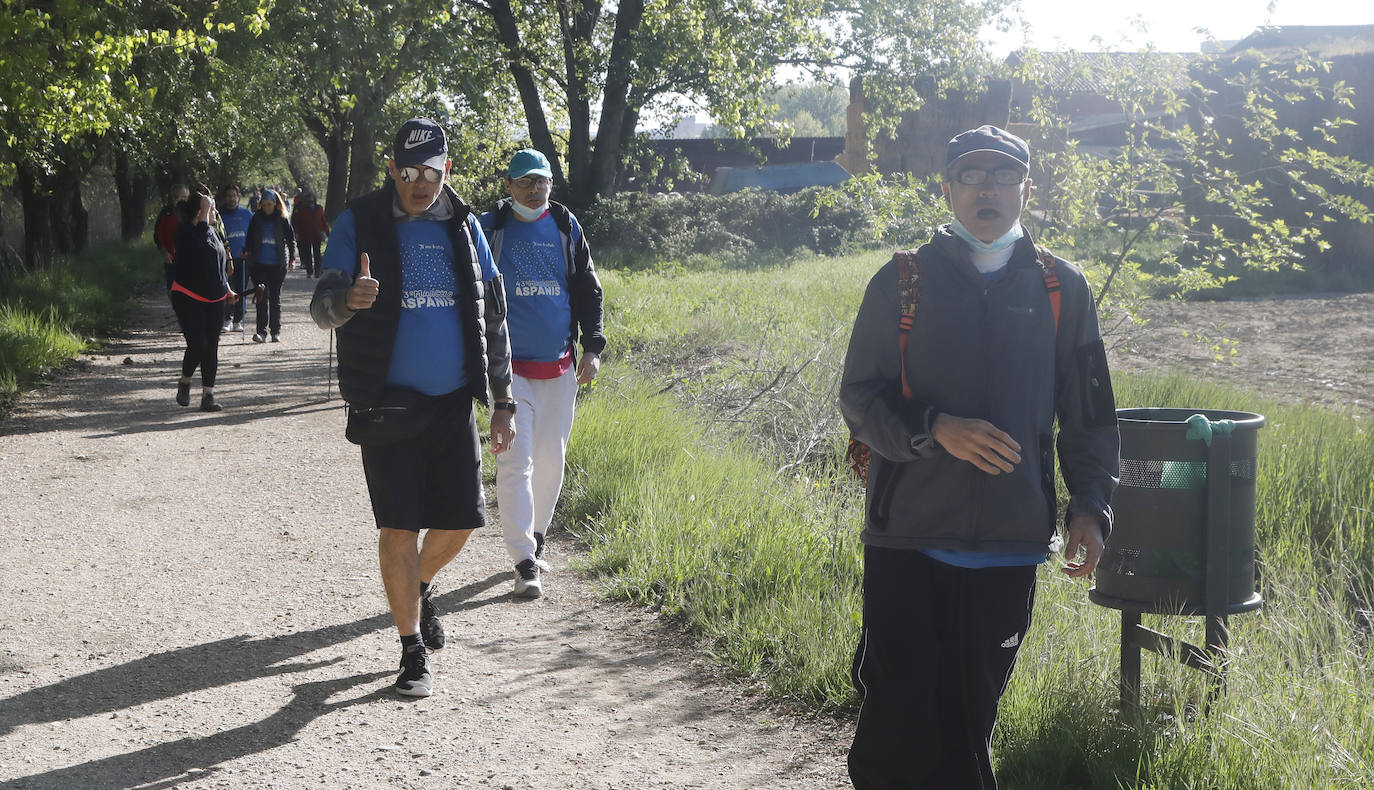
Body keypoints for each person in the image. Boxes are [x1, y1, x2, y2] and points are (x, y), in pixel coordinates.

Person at [838, 125, 1120, 789]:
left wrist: (1092, 504)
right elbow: (860, 398)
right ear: (947, 189)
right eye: (971, 174)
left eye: (1003, 174)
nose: (987, 187)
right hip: (907, 535)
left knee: (968, 723)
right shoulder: (902, 280)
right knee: (897, 720)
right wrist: (935, 429)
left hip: (1009, 542)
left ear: (1028, 187)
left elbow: (1088, 415)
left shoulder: (1061, 288)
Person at [310, 117, 515, 698]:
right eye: (408, 171)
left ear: (446, 169)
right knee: (398, 524)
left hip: (452, 403)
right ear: (392, 170)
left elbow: (493, 315)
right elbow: (321, 308)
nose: (419, 183)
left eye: (430, 171)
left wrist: (504, 399)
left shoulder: (465, 225)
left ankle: (419, 585)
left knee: (459, 522)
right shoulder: (362, 222)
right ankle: (410, 650)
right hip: (387, 405)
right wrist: (347, 300)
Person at [479, 149, 606, 598]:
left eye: (543, 182)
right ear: (509, 186)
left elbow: (589, 290)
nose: (535, 190)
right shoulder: (489, 229)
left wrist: (592, 347)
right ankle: (523, 560)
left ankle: (537, 536)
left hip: (559, 368)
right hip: (509, 373)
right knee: (517, 463)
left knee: (552, 461)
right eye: (526, 182)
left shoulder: (567, 227)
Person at [170, 187, 238, 412]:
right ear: (199, 212)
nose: (215, 212)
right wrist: (205, 214)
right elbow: (198, 250)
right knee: (198, 344)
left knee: (212, 346)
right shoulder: (185, 232)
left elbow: (216, 263)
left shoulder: (212, 231)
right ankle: (185, 381)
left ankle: (208, 395)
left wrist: (226, 288)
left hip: (214, 297)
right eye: (210, 208)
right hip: (188, 296)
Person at [243, 188, 298, 342]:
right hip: (258, 264)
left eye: (270, 204)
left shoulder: (282, 219)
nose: (267, 207)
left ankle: (276, 331)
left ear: (275, 204)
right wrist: (247, 250)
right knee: (261, 297)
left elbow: (291, 240)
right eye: (264, 204)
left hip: (277, 265)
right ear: (261, 204)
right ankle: (261, 332)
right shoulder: (256, 218)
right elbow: (249, 238)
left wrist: (292, 259)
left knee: (275, 298)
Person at [218, 185, 254, 332]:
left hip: (243, 258)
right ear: (225, 198)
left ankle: (238, 319)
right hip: (226, 259)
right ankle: (227, 318)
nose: (232, 199)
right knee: (228, 288)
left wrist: (250, 250)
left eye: (234, 196)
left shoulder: (247, 214)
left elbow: (253, 234)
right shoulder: (220, 215)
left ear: (238, 197)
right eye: (229, 196)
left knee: (241, 289)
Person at [154, 184, 190, 290]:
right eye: (178, 197)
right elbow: (158, 235)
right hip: (171, 259)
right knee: (172, 288)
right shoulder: (165, 213)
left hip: (189, 259)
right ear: (173, 198)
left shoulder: (192, 214)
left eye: (184, 197)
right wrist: (164, 252)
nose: (181, 200)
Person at [291, 188, 330, 278]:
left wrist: (327, 232)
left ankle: (318, 271)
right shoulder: (300, 209)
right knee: (307, 254)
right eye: (308, 201)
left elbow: (323, 221)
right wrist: (296, 233)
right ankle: (309, 271)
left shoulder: (319, 208)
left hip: (317, 234)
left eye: (312, 201)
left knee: (317, 254)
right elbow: (296, 222)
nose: (310, 203)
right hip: (305, 235)